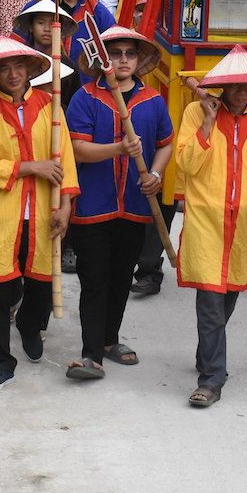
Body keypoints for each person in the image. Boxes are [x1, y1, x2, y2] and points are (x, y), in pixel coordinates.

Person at [172, 47, 247, 407]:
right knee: (209, 295)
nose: (241, 92)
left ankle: (207, 352)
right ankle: (212, 379)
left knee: (230, 292)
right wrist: (207, 123)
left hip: (246, 223)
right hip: (207, 218)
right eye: (234, 85)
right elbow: (187, 163)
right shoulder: (196, 110)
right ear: (223, 85)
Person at [0, 35, 78, 391]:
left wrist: (67, 204)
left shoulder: (50, 105)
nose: (12, 74)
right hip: (2, 213)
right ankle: (0, 361)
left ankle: (31, 326)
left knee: (42, 279)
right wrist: (32, 167)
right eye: (3, 67)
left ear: (29, 68)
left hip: (44, 209)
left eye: (18, 66)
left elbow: (67, 160)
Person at [65, 26, 171, 380]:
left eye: (130, 53)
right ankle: (90, 354)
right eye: (116, 53)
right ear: (102, 58)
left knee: (121, 277)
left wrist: (154, 173)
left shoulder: (153, 100)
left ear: (139, 60)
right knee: (94, 279)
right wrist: (118, 149)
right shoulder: (85, 97)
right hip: (93, 207)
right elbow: (77, 149)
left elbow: (166, 142)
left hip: (135, 208)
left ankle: (110, 340)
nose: (123, 59)